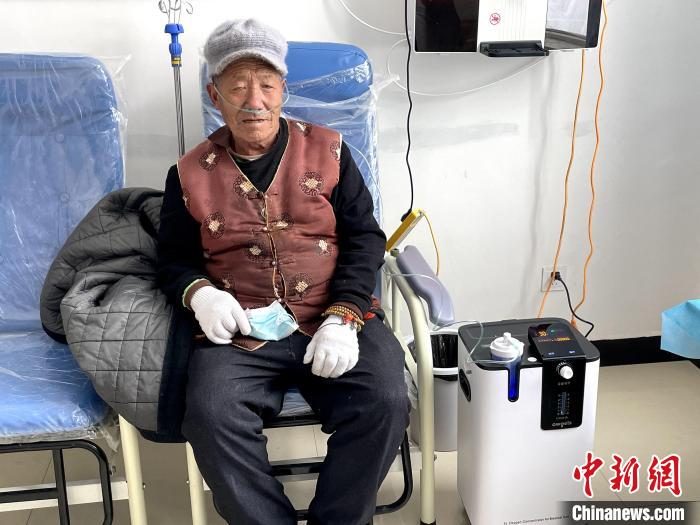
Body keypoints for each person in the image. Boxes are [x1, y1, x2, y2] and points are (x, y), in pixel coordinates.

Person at [156, 18, 410, 525]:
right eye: (238, 86)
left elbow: (365, 239)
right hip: (243, 328)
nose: (255, 100)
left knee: (385, 399)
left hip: (333, 316)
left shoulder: (331, 150)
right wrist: (201, 294)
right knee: (209, 413)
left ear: (283, 89)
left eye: (267, 84)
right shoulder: (186, 173)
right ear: (214, 95)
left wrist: (344, 316)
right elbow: (172, 258)